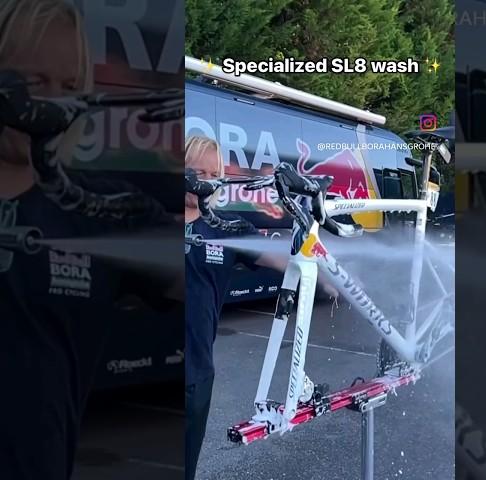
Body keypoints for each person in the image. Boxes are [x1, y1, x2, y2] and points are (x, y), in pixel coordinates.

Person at [0, 2, 178, 478]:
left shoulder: (102, 212)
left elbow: (193, 272)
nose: (54, 105)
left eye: (69, 87)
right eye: (33, 82)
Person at [184, 135, 337, 479]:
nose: (201, 181)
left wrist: (325, 278)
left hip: (194, 373)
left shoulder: (227, 228)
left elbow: (283, 258)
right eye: (193, 170)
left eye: (210, 174)